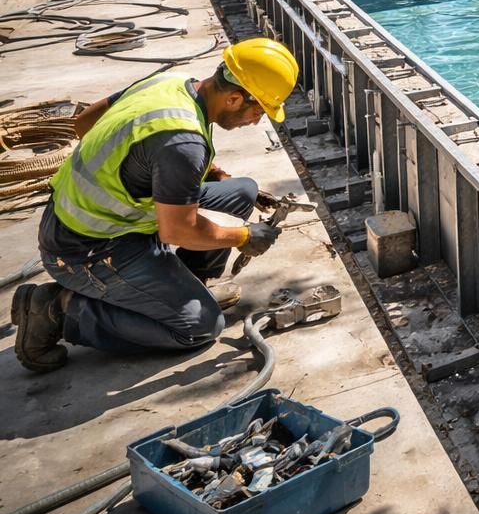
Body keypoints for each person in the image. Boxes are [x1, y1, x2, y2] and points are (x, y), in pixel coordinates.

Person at [11, 38, 300, 373]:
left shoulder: (171, 83)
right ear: (234, 97)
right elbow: (178, 229)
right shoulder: (183, 143)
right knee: (201, 326)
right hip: (87, 249)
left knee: (242, 192)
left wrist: (186, 171)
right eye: (257, 111)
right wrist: (245, 237)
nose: (256, 121)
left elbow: (83, 124)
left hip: (107, 218)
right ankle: (58, 309)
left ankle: (183, 286)